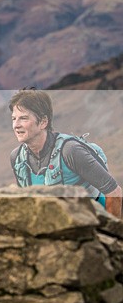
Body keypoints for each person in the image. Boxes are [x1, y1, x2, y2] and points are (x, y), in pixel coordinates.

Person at [9, 88, 122, 218]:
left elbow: (115, 192)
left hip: (95, 225)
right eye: (14, 119)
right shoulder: (17, 158)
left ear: (43, 122)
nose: (16, 125)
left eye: (23, 118)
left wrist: (113, 232)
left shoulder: (70, 151)